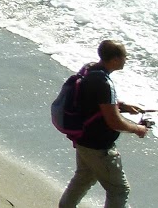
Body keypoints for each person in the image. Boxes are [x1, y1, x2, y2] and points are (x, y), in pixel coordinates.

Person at [60, 39, 148, 208]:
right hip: (99, 147)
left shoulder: (90, 70)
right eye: (124, 57)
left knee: (83, 179)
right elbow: (114, 122)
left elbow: (94, 102)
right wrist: (138, 129)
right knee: (119, 190)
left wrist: (121, 106)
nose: (126, 60)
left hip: (83, 140)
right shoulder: (103, 83)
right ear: (115, 60)